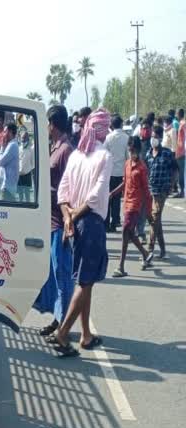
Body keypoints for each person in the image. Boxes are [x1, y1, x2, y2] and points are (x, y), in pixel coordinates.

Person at [51, 109, 113, 357]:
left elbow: (62, 192)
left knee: (84, 281)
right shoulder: (104, 156)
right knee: (85, 281)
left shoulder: (77, 155)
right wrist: (74, 216)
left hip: (74, 223)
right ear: (103, 130)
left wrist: (68, 217)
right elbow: (96, 195)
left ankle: (86, 335)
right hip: (90, 222)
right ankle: (63, 333)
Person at [35, 105, 75, 337]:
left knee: (62, 274)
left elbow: (70, 189)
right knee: (52, 274)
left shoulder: (67, 150)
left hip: (61, 222)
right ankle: (57, 318)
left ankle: (64, 326)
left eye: (47, 124)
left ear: (53, 124)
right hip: (49, 221)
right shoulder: (55, 148)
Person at [110, 136, 154, 277]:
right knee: (129, 233)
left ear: (138, 151)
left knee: (125, 232)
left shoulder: (142, 168)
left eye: (133, 150)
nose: (131, 153)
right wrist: (113, 193)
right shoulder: (127, 164)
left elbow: (147, 192)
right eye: (129, 150)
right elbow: (124, 182)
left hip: (135, 205)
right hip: (126, 202)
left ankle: (121, 266)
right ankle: (145, 253)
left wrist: (148, 211)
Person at [145, 124, 179, 260]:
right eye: (152, 136)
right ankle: (163, 249)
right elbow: (146, 171)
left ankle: (149, 250)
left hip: (162, 191)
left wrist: (172, 185)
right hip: (150, 191)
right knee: (156, 221)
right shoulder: (148, 153)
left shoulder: (167, 153)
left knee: (154, 218)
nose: (153, 139)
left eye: (155, 137)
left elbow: (176, 170)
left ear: (160, 138)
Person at [103, 115, 129, 232]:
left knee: (108, 197)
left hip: (109, 172)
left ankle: (106, 224)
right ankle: (114, 223)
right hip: (121, 172)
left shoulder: (108, 138)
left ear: (112, 125)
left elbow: (104, 154)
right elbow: (128, 156)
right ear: (121, 124)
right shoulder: (126, 138)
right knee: (117, 198)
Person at [0, 123, 19, 200]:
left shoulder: (12, 145)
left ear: (10, 132)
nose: (3, 134)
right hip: (7, 188)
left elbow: (1, 162)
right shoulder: (11, 144)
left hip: (7, 189)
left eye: (5, 131)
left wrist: (2, 147)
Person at [177, 108, 186, 198]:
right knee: (180, 172)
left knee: (181, 172)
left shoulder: (183, 124)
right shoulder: (181, 123)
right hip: (179, 151)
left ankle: (182, 191)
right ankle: (181, 190)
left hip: (181, 151)